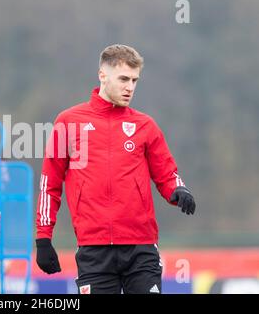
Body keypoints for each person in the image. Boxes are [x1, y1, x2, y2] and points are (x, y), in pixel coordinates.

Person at [35, 44, 196, 294]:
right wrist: (43, 238)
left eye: (134, 80)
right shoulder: (68, 122)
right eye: (123, 79)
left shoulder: (145, 125)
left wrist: (179, 190)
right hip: (94, 249)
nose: (130, 87)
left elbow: (166, 174)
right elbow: (50, 184)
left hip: (141, 248)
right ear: (102, 75)